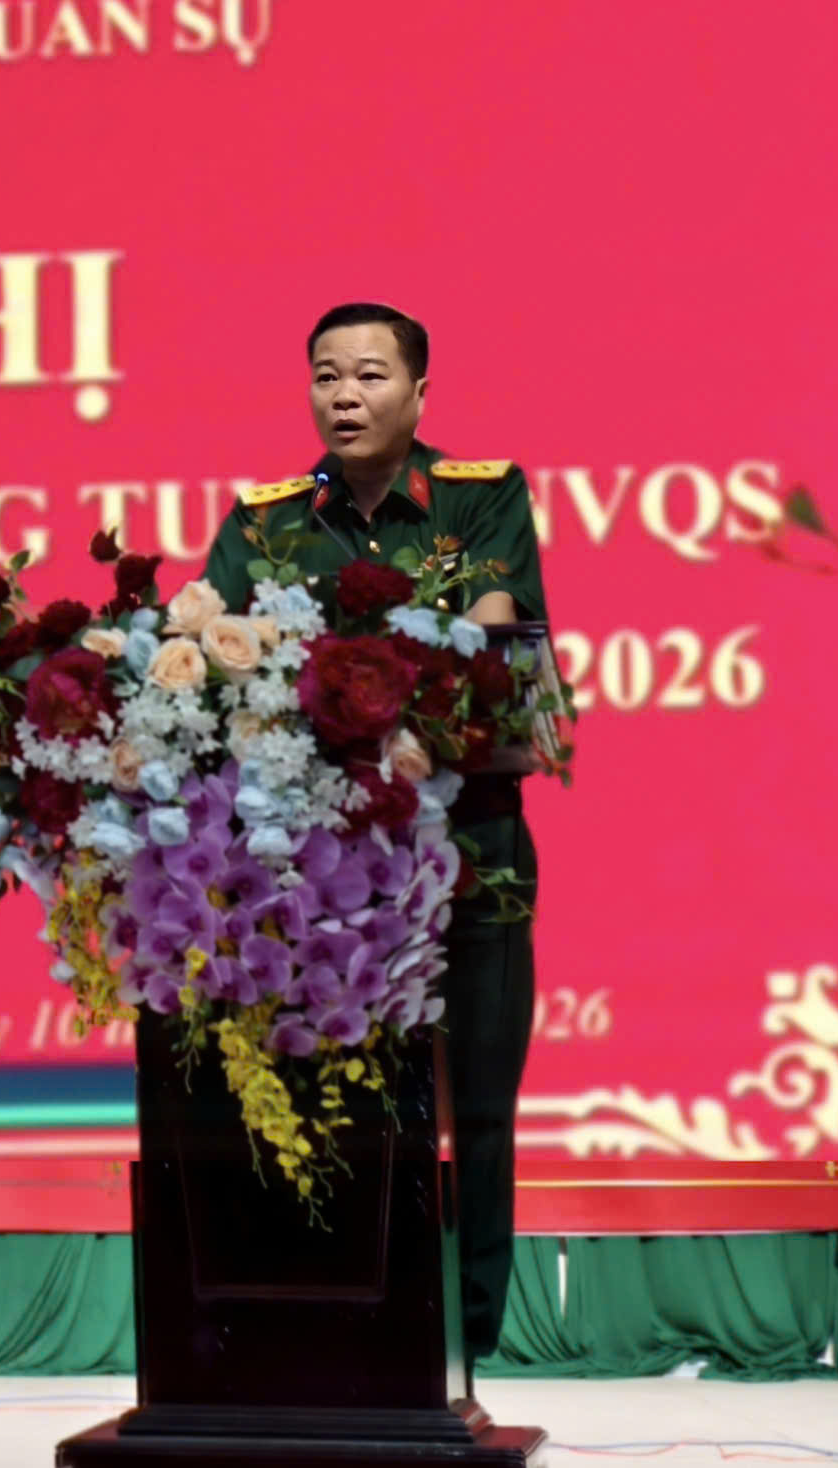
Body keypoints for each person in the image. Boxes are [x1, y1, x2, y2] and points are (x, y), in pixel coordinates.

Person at [196, 300, 545, 1364]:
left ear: (419, 392)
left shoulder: (481, 498)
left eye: (369, 375)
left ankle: (466, 1349)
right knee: (332, 1107)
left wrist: (403, 725)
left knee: (476, 1108)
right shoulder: (265, 522)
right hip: (319, 871)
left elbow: (494, 633)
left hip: (468, 850)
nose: (344, 396)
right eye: (326, 376)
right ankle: (347, 1342)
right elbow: (208, 652)